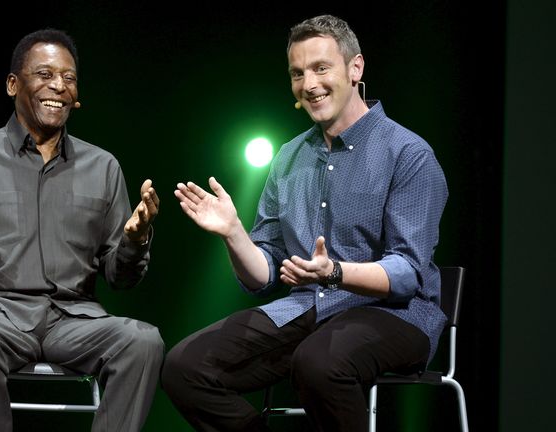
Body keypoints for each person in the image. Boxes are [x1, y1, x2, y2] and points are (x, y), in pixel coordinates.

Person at [161, 14, 448, 432]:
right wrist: (234, 235)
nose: (308, 84)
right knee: (184, 368)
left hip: (395, 315)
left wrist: (334, 272)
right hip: (309, 308)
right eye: (297, 73)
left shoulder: (408, 154)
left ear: (355, 68)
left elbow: (405, 274)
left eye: (320, 68)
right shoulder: (289, 158)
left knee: (317, 362)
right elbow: (264, 276)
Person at [0, 28, 163, 432]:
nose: (58, 85)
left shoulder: (103, 166)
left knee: (144, 342)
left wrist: (134, 240)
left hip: (74, 319)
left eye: (69, 77)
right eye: (44, 74)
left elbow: (120, 277)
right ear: (13, 84)